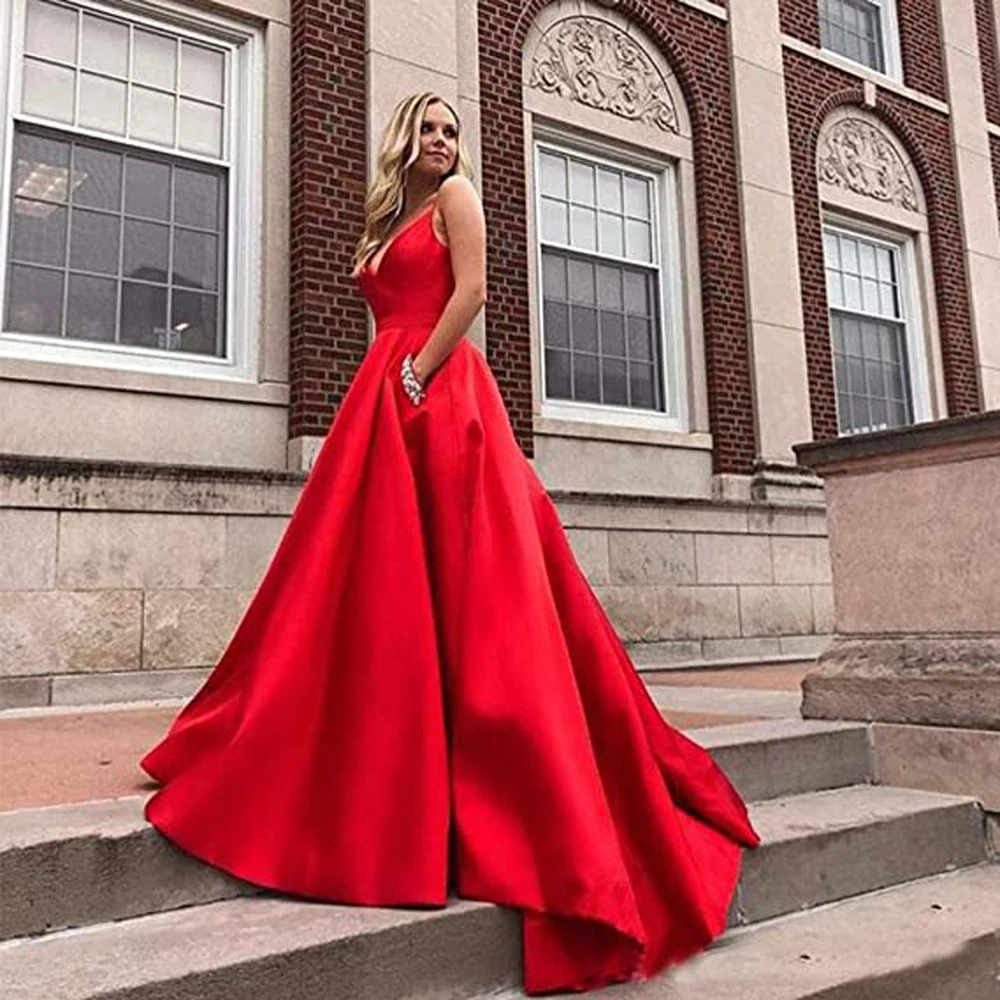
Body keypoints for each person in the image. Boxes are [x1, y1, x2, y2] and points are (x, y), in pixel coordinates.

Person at [140, 91, 760, 996]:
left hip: (438, 399)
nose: (442, 141)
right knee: (372, 589)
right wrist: (393, 381)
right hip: (383, 404)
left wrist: (417, 376)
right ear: (403, 140)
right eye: (428, 129)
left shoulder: (457, 198)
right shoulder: (387, 218)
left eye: (451, 129)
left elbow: (471, 294)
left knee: (476, 590)